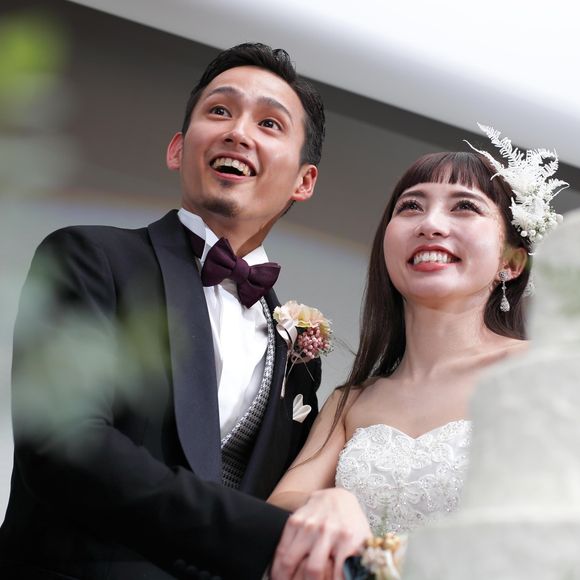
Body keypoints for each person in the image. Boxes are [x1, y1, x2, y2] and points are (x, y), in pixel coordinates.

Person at [0, 43, 325, 580]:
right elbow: (62, 447)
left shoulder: (300, 352)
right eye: (219, 111)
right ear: (177, 148)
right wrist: (268, 536)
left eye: (269, 123)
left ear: (303, 181)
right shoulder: (89, 257)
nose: (238, 132)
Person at [268, 132, 567, 579]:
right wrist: (329, 499)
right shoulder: (352, 401)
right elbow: (279, 506)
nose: (430, 224)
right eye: (411, 206)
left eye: (464, 206)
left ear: (511, 262)